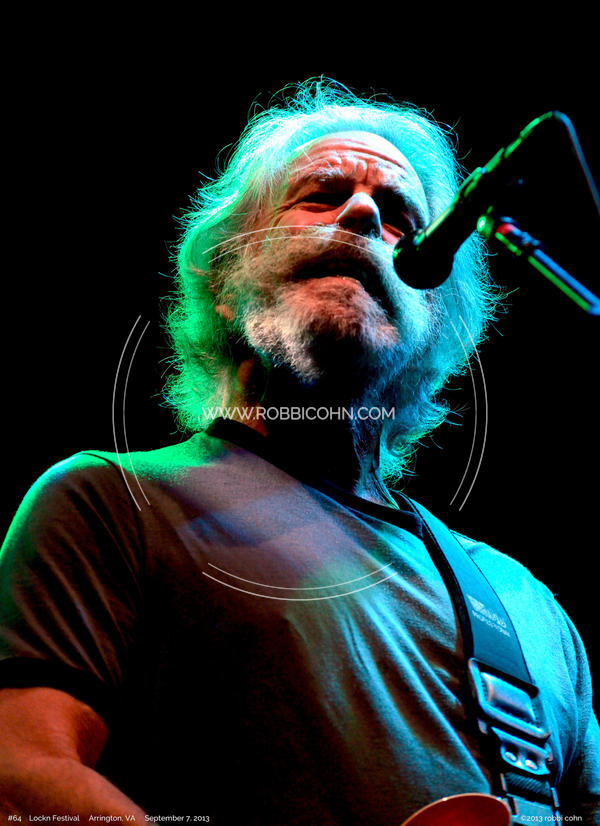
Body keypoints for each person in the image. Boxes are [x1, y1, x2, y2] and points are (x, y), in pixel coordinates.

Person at [0, 80, 598, 825]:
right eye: (321, 195)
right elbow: (20, 776)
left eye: (400, 216)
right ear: (226, 283)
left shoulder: (524, 608)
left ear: (433, 313)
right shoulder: (114, 505)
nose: (363, 214)